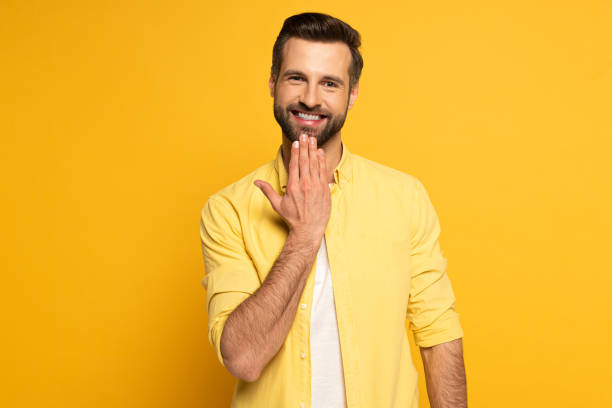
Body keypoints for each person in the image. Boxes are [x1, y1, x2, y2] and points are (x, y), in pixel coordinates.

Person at [200, 12, 467, 408]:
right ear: (272, 82)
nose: (310, 98)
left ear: (352, 93)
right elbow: (244, 358)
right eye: (296, 78)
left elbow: (438, 336)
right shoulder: (228, 210)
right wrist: (305, 235)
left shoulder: (404, 197)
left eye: (329, 83)